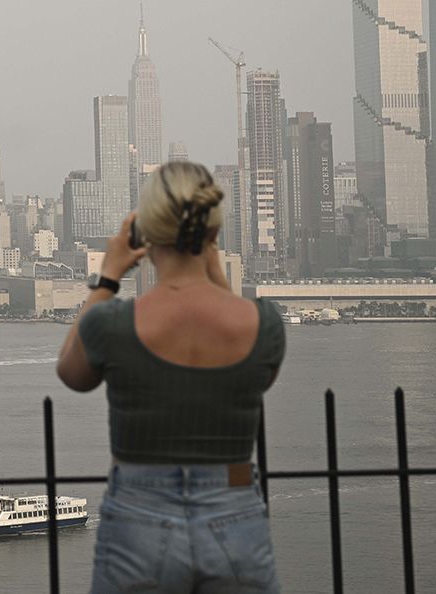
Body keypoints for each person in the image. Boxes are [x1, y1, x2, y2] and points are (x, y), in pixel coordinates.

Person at [57, 161, 286, 594]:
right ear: (214, 232)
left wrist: (108, 277)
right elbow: (257, 378)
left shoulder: (114, 324)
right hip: (234, 508)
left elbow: (71, 371)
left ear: (147, 232)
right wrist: (213, 265)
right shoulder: (264, 325)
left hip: (139, 516)